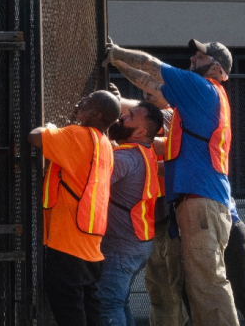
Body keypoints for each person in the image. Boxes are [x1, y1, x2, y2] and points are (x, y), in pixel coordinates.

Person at [104, 38, 240, 325]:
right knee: (193, 286)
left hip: (201, 203)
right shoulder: (195, 102)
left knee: (208, 284)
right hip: (194, 203)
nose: (192, 60)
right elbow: (150, 85)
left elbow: (152, 67)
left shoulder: (201, 88)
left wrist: (115, 54)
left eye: (200, 57)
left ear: (217, 68)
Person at [28, 90, 121, 326]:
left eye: (87, 101)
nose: (80, 101)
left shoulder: (78, 135)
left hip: (67, 243)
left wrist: (49, 128)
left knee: (71, 315)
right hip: (91, 247)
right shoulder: (105, 145)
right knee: (91, 313)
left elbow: (35, 137)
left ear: (96, 114)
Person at [95, 101, 165, 326]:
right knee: (119, 301)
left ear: (142, 131)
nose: (123, 117)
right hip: (137, 245)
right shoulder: (146, 153)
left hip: (121, 248)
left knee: (108, 303)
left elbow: (93, 181)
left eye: (131, 116)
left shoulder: (126, 157)